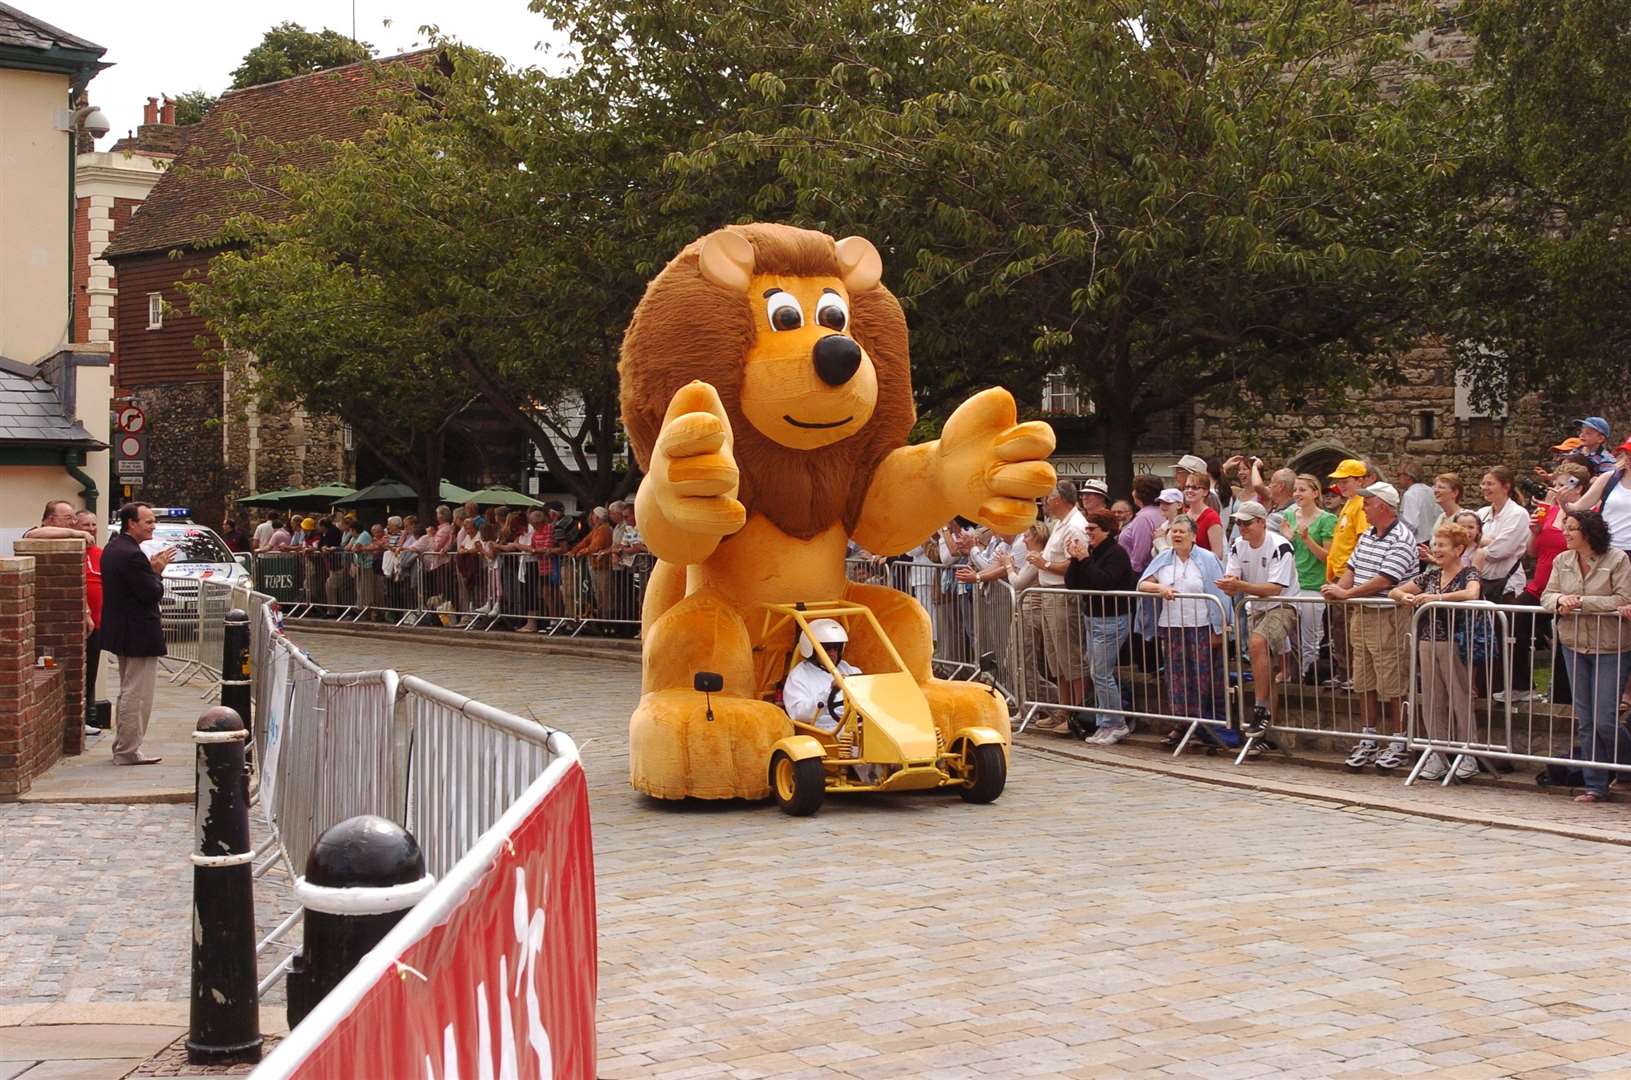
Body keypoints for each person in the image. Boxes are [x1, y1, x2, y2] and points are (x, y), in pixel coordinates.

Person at [1321, 482, 1417, 772]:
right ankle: (1369, 736)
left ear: (1384, 506)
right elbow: (1352, 568)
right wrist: (1337, 589)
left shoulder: (1402, 537)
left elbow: (1386, 579)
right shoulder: (1366, 536)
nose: (1363, 506)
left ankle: (1399, 740)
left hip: (1388, 615)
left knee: (1392, 677)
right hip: (1362, 613)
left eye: (1368, 502)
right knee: (1363, 677)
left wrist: (1346, 594)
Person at [1541, 510, 1631, 803]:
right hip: (1574, 643)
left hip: (1611, 644)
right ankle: (1595, 784)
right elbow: (1547, 595)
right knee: (1586, 718)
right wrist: (1558, 601)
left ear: (1588, 533)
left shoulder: (1617, 559)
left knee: (1605, 717)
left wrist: (1580, 602)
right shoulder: (1561, 560)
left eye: (1571, 529)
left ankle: (1626, 767)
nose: (1565, 534)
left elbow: (1622, 599)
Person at [1389, 521, 1482, 781]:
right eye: (1435, 544)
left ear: (1458, 549)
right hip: (1427, 641)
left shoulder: (1469, 572)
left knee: (1459, 696)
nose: (1436, 549)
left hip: (1454, 642)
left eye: (1442, 545)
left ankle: (1468, 752)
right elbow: (1396, 590)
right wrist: (1404, 598)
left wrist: (1436, 599)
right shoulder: (1430, 575)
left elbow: (1472, 594)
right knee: (1431, 698)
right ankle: (1436, 753)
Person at [1137, 516, 1233, 749]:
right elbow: (1142, 584)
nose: (1177, 535)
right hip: (1172, 625)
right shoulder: (1164, 559)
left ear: (1192, 535)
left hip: (1201, 625)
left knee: (1202, 675)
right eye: (1174, 531)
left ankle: (1204, 724)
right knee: (1175, 676)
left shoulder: (1207, 559)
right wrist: (1160, 587)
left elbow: (1220, 594)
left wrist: (1220, 628)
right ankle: (1181, 722)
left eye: (1182, 531)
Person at [1218, 501, 1301, 747]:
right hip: (1256, 607)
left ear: (1261, 522)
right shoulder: (1237, 546)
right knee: (1266, 667)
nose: (1242, 527)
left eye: (1247, 522)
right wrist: (1229, 585)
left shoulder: (1280, 546)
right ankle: (1267, 730)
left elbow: (1275, 589)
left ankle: (1261, 707)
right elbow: (1232, 578)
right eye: (1239, 523)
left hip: (1283, 606)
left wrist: (1240, 587)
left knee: (1257, 643)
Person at [101, 503, 173, 766]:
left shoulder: (114, 548)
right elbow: (150, 593)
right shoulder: (131, 554)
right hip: (138, 632)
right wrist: (157, 572)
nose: (153, 526)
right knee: (137, 693)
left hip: (123, 631)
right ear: (131, 523)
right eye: (148, 522)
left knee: (128, 689)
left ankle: (124, 746)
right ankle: (127, 750)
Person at [1065, 509, 1137, 744]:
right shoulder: (1093, 552)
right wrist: (1075, 560)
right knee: (1098, 671)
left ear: (1106, 530)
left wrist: (1084, 559)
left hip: (1111, 619)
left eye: (1092, 529)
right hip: (1093, 617)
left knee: (1101, 672)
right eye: (1087, 529)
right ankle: (1105, 721)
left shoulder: (1116, 553)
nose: (1088, 533)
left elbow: (1104, 582)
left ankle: (1115, 723)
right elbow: (1074, 584)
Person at [1026, 481, 1088, 733]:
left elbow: (1073, 565)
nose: (1044, 501)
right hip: (1050, 592)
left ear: (1060, 499)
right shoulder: (1061, 523)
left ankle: (1079, 712)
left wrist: (1043, 564)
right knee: (1055, 656)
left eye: (1048, 497)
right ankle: (1063, 709)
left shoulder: (1075, 525)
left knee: (1069, 654)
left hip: (1063, 593)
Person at [1478, 466, 1536, 701]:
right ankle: (1488, 687)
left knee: (1510, 635)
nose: (1484, 488)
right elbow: (1463, 541)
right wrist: (1484, 542)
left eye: (1490, 483)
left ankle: (1519, 685)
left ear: (1506, 486)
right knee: (1486, 636)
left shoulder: (1518, 514)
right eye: (1483, 483)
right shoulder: (1481, 513)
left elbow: (1501, 550)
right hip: (1484, 581)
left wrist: (1480, 542)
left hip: (1508, 582)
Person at [1279, 474, 1336, 680]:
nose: (1297, 494)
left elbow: (1328, 556)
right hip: (1292, 584)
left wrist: (1307, 539)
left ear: (1315, 493)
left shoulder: (1327, 519)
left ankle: (1309, 676)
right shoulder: (1289, 515)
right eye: (1295, 490)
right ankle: (1293, 673)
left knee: (1311, 636)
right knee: (1288, 635)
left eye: (1302, 490)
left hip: (1314, 585)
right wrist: (1286, 539)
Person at [1322, 459, 1371, 689]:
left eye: (1346, 481)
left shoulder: (1360, 505)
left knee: (1347, 628)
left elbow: (1361, 541)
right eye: (1339, 481)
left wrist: (1346, 582)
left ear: (1360, 480)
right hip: (1338, 575)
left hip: (1347, 578)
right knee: (1339, 628)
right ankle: (1344, 672)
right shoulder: (1350, 504)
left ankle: (1351, 674)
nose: (1341, 485)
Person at [1568, 436, 1631, 552]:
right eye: (1627, 454)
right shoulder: (1608, 478)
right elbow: (1577, 508)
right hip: (1605, 549)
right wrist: (1563, 501)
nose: (1628, 459)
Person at [1118, 475, 1165, 575]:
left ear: (1138, 494)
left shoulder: (1143, 518)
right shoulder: (1161, 513)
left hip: (1139, 574)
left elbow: (1140, 553)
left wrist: (1131, 574)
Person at [1396, 460, 1437, 555]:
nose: (1398, 478)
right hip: (1432, 540)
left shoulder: (1410, 494)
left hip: (1418, 543)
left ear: (1408, 476)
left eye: (1399, 475)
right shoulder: (1430, 491)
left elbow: (1410, 523)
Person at [1182, 472, 1226, 559]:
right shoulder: (1183, 515)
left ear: (1205, 492)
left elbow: (1217, 555)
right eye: (1187, 487)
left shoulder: (1211, 517)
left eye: (1195, 488)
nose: (1189, 490)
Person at [1151, 486, 1184, 556]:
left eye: (1167, 503)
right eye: (1161, 503)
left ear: (1179, 505)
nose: (1162, 506)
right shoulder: (1164, 525)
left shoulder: (1185, 526)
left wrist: (1159, 541)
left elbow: (1178, 555)